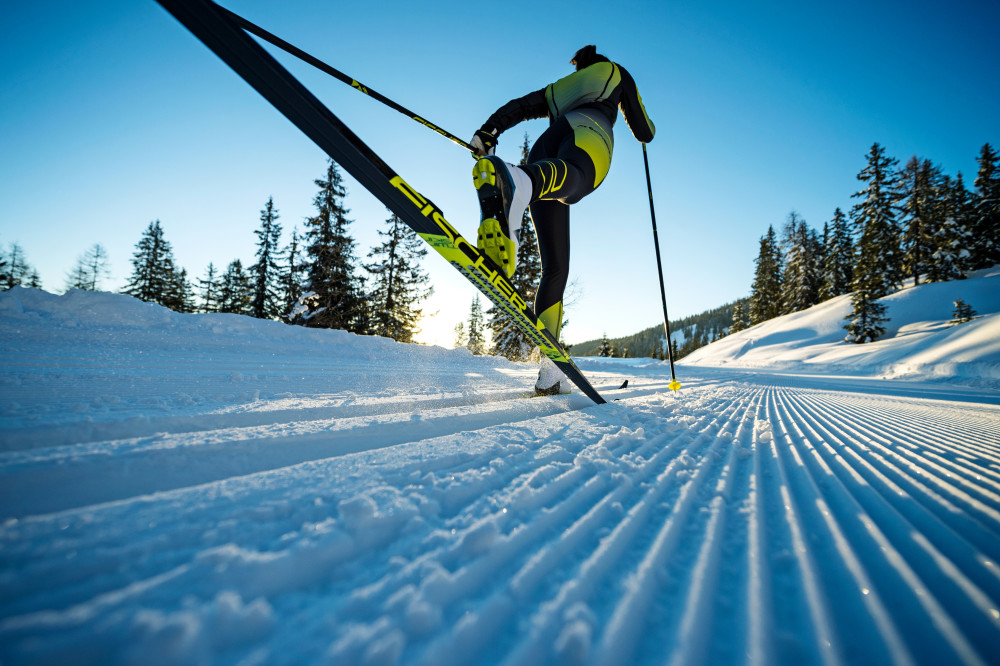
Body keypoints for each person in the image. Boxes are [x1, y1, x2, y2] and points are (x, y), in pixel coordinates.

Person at [469, 44, 655, 395]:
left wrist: (488, 131)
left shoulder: (563, 88)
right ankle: (517, 184)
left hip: (545, 149)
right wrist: (642, 126)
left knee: (555, 265)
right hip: (590, 133)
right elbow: (644, 128)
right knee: (580, 180)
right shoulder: (616, 72)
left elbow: (522, 106)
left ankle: (550, 372)